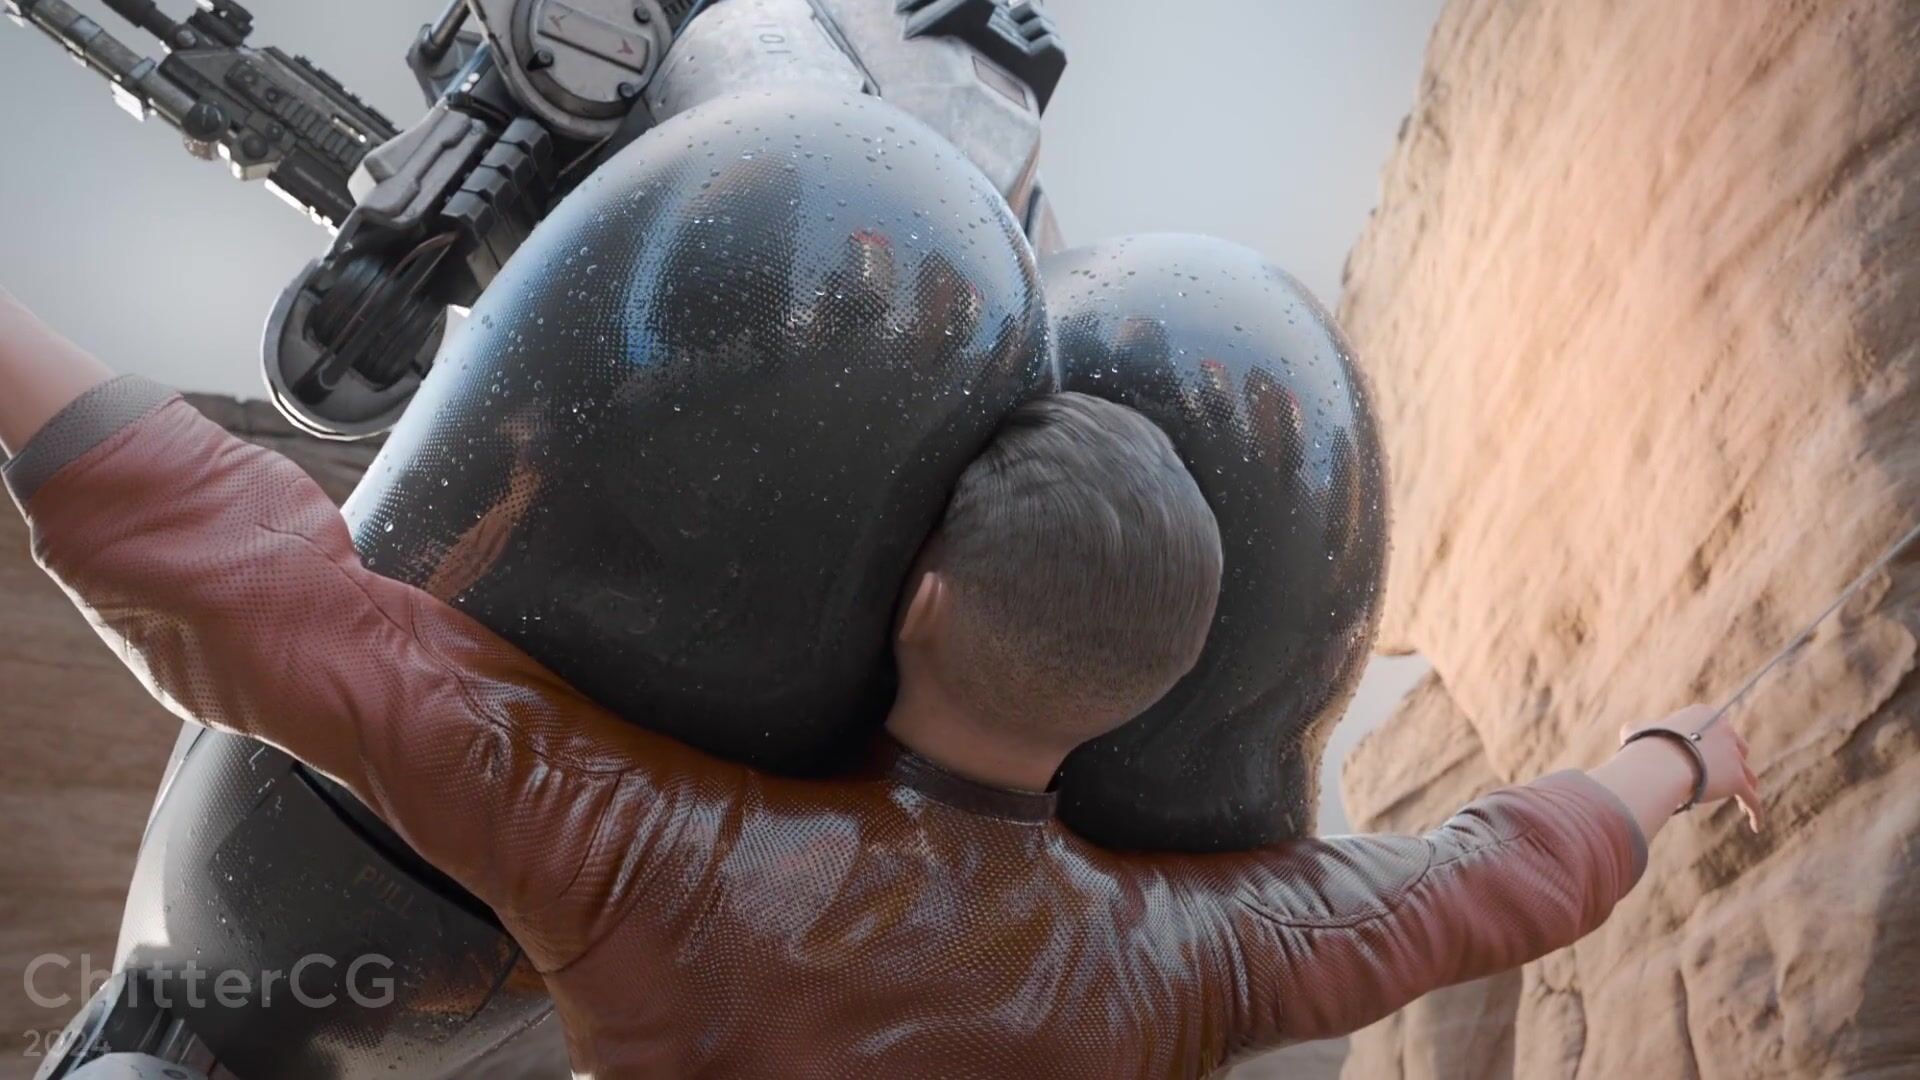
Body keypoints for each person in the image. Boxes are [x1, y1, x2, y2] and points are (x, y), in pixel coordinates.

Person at [0, 287, 1762, 1078]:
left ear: (913, 597)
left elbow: (272, 603)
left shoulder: (663, 862)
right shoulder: (1202, 962)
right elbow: (1484, 886)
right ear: (1157, 683)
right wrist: (1677, 757)